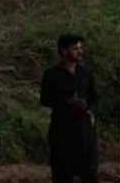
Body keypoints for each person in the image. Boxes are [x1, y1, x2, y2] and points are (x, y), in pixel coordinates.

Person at [40, 34, 99, 183]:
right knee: (62, 174)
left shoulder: (85, 74)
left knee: (90, 174)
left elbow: (94, 97)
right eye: (75, 48)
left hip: (84, 132)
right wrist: (67, 102)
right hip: (62, 132)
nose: (80, 52)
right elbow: (45, 100)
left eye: (80, 48)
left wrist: (87, 107)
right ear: (63, 51)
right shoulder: (52, 75)